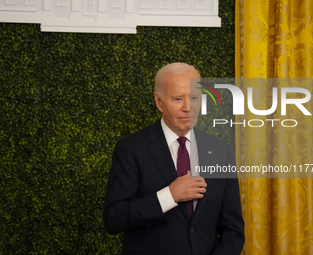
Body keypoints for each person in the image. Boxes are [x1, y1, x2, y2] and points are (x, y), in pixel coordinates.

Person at [103, 63, 245, 255]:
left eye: (194, 98)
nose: (188, 108)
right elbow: (114, 218)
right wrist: (169, 195)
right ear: (159, 102)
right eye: (178, 98)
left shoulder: (221, 151)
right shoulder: (131, 148)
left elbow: (233, 230)